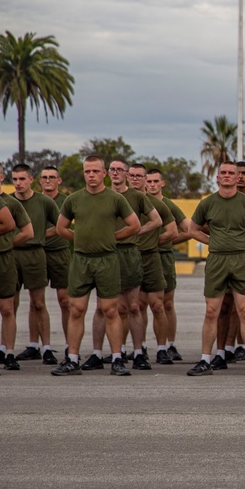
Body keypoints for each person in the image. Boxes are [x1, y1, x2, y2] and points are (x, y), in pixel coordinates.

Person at [50, 156, 140, 376]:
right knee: (76, 310)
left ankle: (117, 359)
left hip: (107, 260)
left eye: (95, 171)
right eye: (87, 171)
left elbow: (134, 225)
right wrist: (78, 239)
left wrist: (112, 238)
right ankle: (72, 359)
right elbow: (61, 228)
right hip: (81, 260)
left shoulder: (115, 198)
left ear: (104, 173)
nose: (91, 175)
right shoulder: (73, 199)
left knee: (111, 310)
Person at [186, 161, 245, 376]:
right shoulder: (208, 203)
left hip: (242, 260)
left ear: (237, 178)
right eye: (222, 172)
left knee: (244, 310)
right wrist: (212, 241)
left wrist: (244, 241)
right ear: (217, 177)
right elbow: (192, 229)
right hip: (217, 260)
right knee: (212, 311)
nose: (226, 176)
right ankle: (206, 359)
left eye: (231, 173)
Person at [83, 158, 160, 371]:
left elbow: (156, 221)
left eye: (120, 170)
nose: (116, 173)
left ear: (127, 173)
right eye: (113, 169)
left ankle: (138, 353)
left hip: (128, 254)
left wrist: (134, 232)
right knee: (102, 307)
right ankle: (97, 354)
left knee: (133, 306)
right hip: (105, 254)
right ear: (108, 173)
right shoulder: (102, 195)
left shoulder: (137, 196)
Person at [10, 163, 62, 366]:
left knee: (38, 303)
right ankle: (8, 350)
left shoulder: (44, 201)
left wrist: (39, 235)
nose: (18, 183)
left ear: (32, 179)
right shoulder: (7, 202)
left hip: (35, 254)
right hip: (12, 255)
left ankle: (47, 347)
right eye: (14, 179)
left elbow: (60, 226)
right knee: (9, 305)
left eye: (22, 179)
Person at [127, 162, 177, 365]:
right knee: (132, 306)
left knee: (158, 305)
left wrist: (153, 241)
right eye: (133, 175)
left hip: (152, 257)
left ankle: (163, 348)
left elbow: (173, 230)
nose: (136, 179)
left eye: (140, 176)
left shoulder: (157, 203)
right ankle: (136, 349)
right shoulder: (119, 200)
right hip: (129, 257)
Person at [0, 160, 34, 371]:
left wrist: (6, 243)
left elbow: (28, 232)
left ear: (1, 177)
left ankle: (8, 351)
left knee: (7, 308)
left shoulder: (11, 203)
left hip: (4, 259)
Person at [145, 167, 192, 361]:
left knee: (166, 304)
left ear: (162, 183)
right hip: (140, 256)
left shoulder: (168, 205)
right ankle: (139, 347)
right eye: (149, 181)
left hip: (162, 257)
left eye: (156, 181)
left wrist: (165, 242)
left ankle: (169, 345)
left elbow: (188, 230)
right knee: (137, 304)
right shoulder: (138, 202)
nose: (152, 185)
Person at [37, 166, 71, 358]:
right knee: (37, 302)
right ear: (39, 181)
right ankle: (41, 346)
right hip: (38, 253)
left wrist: (38, 235)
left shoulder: (66, 201)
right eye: (44, 177)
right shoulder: (34, 200)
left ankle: (69, 345)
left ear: (59, 181)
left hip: (60, 253)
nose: (48, 180)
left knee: (65, 301)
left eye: (52, 177)